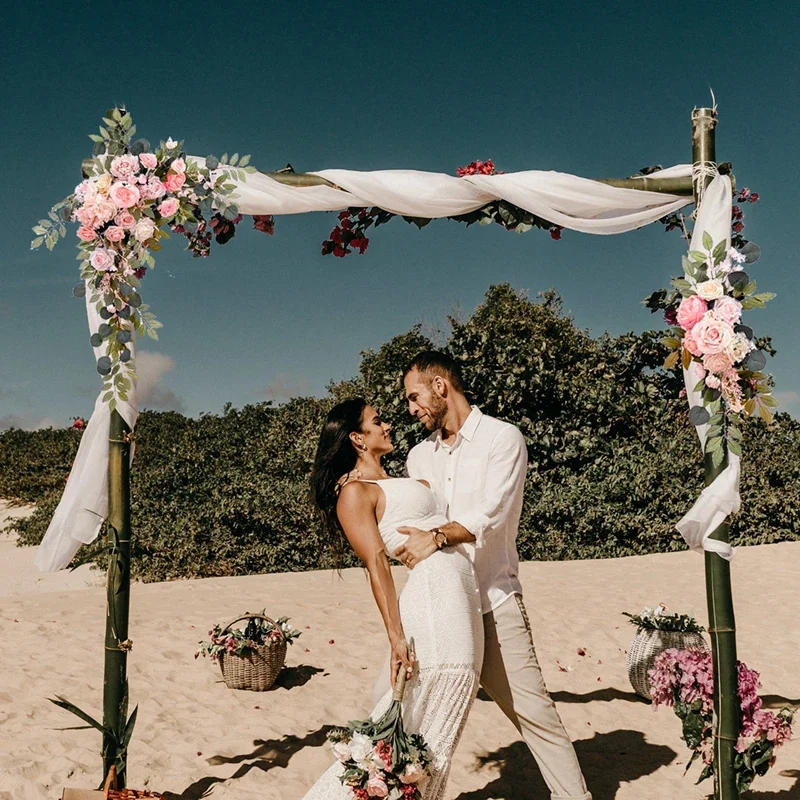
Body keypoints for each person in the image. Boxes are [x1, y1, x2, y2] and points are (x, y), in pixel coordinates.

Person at [396, 351, 592, 800]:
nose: (410, 409)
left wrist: (438, 536)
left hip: (492, 603)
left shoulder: (503, 439)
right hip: (438, 613)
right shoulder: (418, 457)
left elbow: (491, 515)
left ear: (441, 386)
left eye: (414, 396)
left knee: (536, 717)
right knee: (413, 720)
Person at [303, 398, 483, 800]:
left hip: (460, 588)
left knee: (452, 698)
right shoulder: (354, 491)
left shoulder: (397, 477)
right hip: (434, 594)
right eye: (377, 421)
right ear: (357, 438)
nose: (387, 425)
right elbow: (377, 565)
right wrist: (395, 638)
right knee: (439, 695)